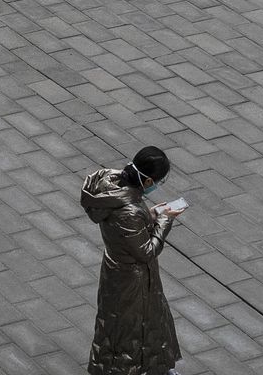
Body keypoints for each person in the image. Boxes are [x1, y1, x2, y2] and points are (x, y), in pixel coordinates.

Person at [81, 146, 183, 375]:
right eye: (158, 181)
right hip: (131, 280)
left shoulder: (119, 193)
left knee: (127, 324)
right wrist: (164, 222)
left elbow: (131, 230)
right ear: (147, 182)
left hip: (118, 273)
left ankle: (154, 367)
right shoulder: (129, 210)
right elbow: (146, 251)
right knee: (132, 329)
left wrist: (152, 214)